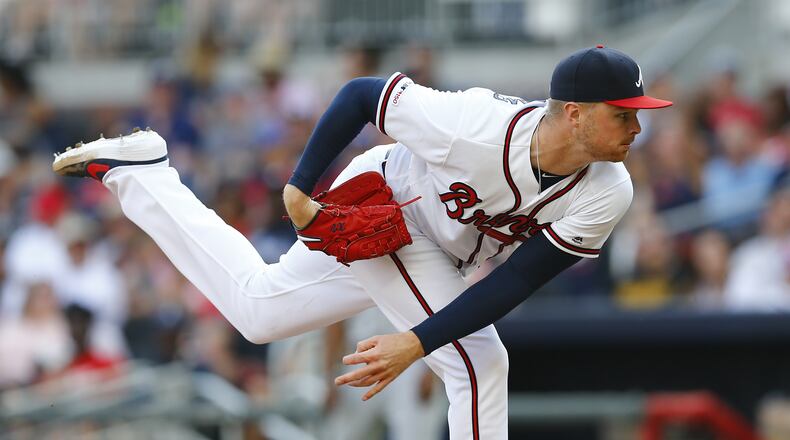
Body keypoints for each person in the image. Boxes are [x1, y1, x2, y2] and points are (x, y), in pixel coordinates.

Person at [53, 45, 671, 439]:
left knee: (259, 311)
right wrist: (301, 183)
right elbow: (361, 96)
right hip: (383, 204)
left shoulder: (607, 190)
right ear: (574, 112)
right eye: (623, 113)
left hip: (439, 246)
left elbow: (515, 281)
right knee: (481, 362)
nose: (636, 127)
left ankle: (141, 175)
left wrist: (417, 341)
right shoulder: (475, 128)